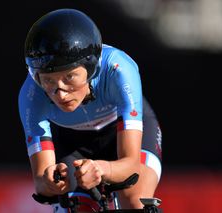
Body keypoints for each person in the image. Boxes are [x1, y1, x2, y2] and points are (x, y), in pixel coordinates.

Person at [18, 8, 162, 212]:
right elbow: (41, 182)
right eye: (49, 80)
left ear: (91, 67)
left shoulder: (119, 70)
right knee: (78, 207)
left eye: (69, 77)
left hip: (118, 134)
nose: (60, 94)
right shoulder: (31, 94)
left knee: (134, 201)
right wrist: (53, 182)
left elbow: (131, 165)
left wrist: (103, 169)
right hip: (72, 144)